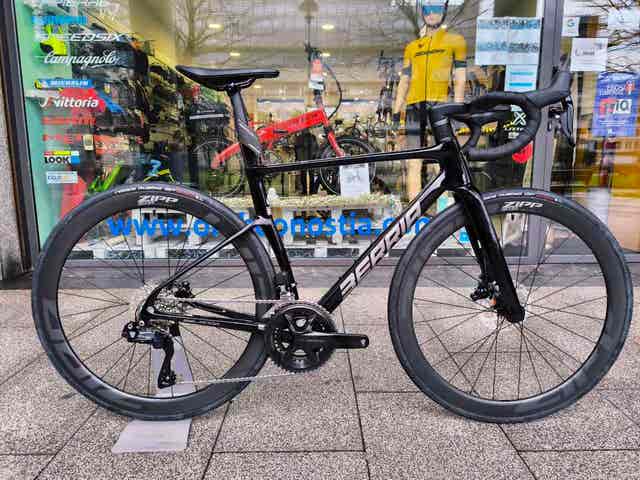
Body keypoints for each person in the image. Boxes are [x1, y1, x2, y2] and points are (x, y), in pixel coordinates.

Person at [392, 0, 467, 200]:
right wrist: (396, 110)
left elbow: (459, 78)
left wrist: (457, 108)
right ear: (422, 12)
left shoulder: (455, 41)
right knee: (413, 160)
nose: (431, 13)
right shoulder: (412, 47)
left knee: (443, 158)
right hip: (414, 106)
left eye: (436, 9)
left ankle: (445, 207)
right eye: (427, 9)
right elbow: (404, 80)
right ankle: (414, 208)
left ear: (444, 11)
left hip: (439, 104)